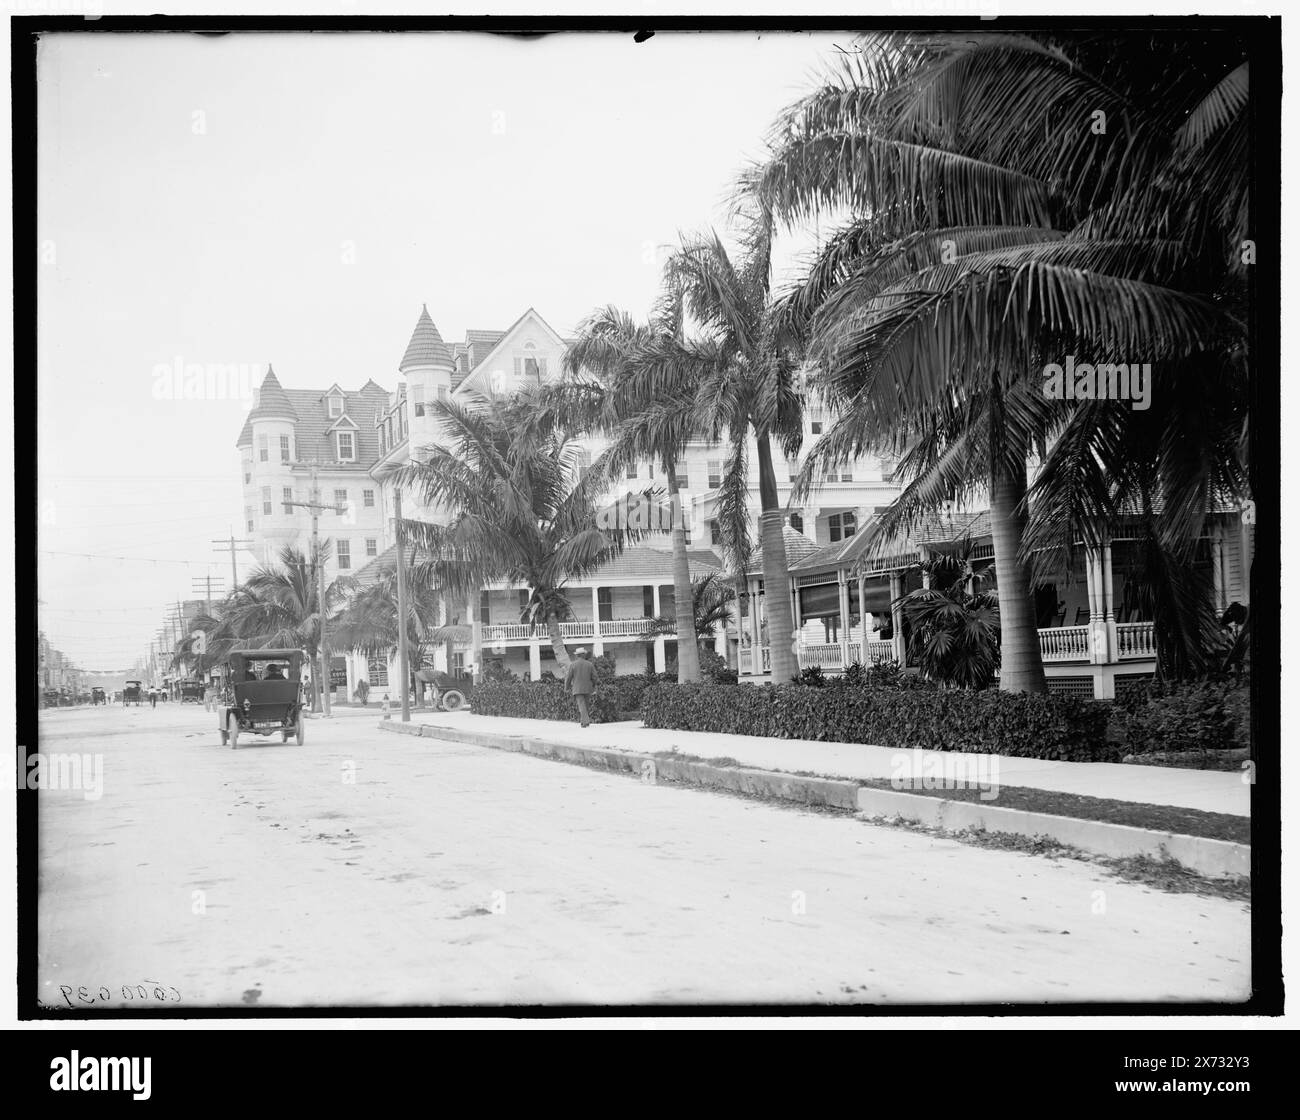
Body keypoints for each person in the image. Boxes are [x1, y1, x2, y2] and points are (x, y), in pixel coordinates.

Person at [563, 647, 597, 728]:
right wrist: (594, 685)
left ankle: (585, 722)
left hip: (577, 688)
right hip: (588, 688)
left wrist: (566, 688)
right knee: (586, 705)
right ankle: (585, 722)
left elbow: (568, 677)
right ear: (583, 655)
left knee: (582, 706)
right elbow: (595, 677)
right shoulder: (589, 664)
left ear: (577, 655)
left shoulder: (573, 665)